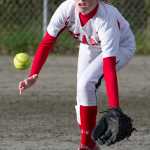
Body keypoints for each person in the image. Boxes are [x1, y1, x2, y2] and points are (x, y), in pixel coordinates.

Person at [18, 0, 136, 150]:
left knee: (86, 84)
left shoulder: (106, 18)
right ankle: (90, 144)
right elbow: (47, 42)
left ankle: (86, 145)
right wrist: (33, 74)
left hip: (121, 47)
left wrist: (114, 107)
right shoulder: (67, 9)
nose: (82, 0)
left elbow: (108, 66)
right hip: (90, 45)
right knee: (81, 96)